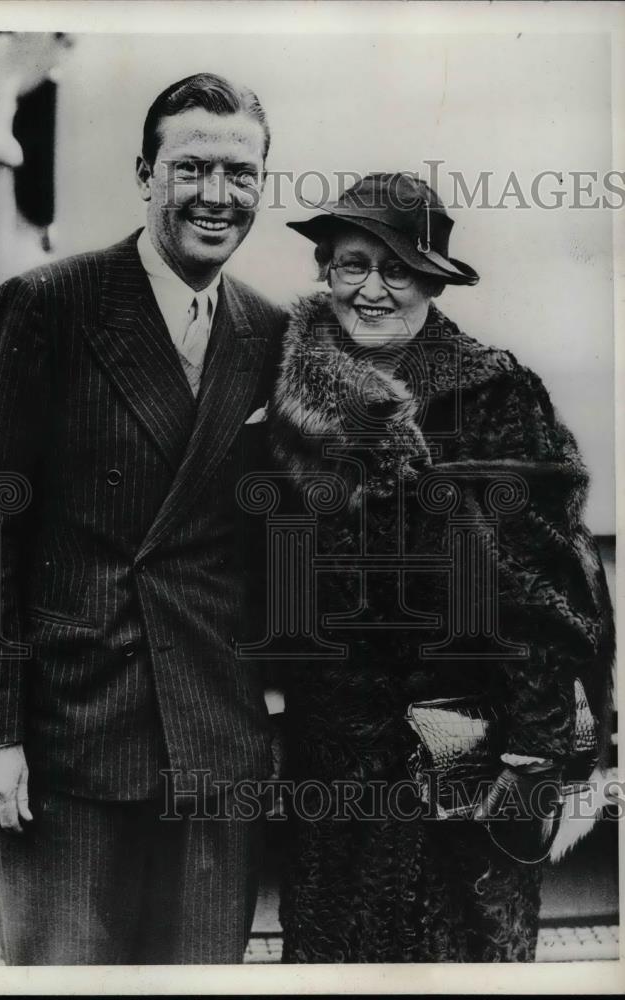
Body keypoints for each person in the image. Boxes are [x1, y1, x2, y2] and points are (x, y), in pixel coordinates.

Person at [0, 72, 286, 965]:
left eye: (240, 173)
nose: (217, 196)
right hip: (71, 740)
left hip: (214, 744)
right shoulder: (48, 305)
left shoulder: (273, 333)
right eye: (192, 168)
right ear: (146, 173)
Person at [268, 173, 614, 962]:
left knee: (461, 957)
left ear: (430, 281)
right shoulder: (296, 397)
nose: (372, 290)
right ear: (324, 270)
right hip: (337, 760)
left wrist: (533, 759)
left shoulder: (490, 390)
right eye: (352, 264)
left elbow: (542, 589)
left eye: (396, 269)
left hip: (471, 747)